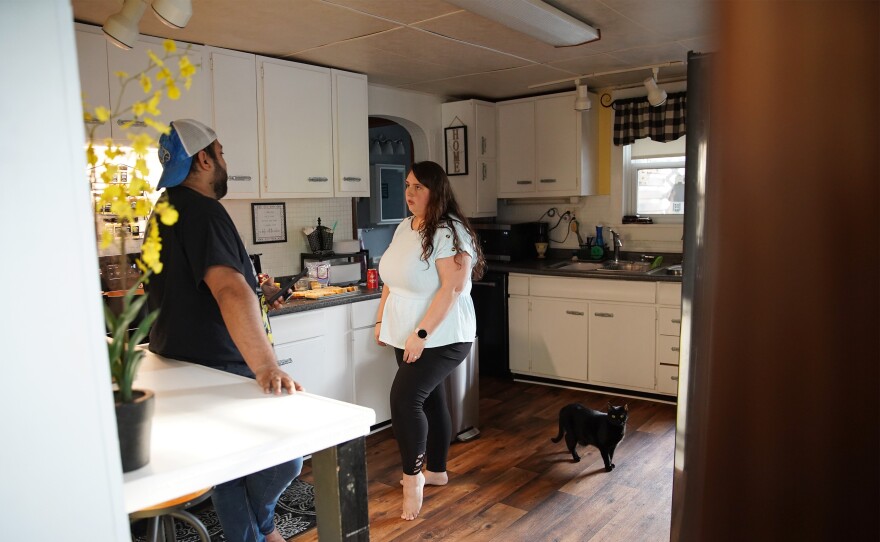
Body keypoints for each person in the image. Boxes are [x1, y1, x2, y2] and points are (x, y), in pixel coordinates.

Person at [146, 118, 303, 542]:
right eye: (222, 153)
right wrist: (267, 365)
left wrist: (259, 291)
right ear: (203, 159)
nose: (224, 161)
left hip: (176, 362)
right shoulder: (204, 212)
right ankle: (259, 531)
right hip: (219, 364)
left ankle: (262, 530)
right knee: (286, 455)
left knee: (232, 469)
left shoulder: (161, 211)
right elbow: (230, 291)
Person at [373, 160, 486, 521]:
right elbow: (390, 278)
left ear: (436, 191)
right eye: (407, 185)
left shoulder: (449, 232)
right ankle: (436, 469)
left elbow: (452, 289)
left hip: (444, 334)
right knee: (431, 399)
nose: (409, 193)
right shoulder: (405, 227)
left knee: (405, 400)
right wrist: (381, 319)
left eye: (418, 187)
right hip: (405, 331)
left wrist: (421, 334)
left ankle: (413, 479)